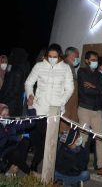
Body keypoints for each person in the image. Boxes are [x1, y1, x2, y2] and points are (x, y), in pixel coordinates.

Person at [25, 43, 74, 172]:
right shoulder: (39, 66)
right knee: (37, 137)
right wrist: (30, 95)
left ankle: (35, 166)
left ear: (60, 56)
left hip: (55, 110)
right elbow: (29, 82)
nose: (52, 58)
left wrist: (61, 102)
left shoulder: (65, 68)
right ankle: (29, 163)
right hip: (39, 108)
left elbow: (70, 88)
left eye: (55, 56)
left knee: (47, 139)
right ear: (46, 56)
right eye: (50, 56)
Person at [77, 51, 102, 176]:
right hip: (85, 108)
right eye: (92, 59)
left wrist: (94, 87)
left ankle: (100, 166)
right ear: (86, 60)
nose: (95, 62)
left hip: (97, 110)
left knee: (100, 138)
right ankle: (80, 164)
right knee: (83, 138)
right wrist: (99, 90)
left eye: (96, 59)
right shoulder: (82, 71)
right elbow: (86, 91)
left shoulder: (98, 74)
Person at [0, 103, 37, 176]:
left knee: (26, 141)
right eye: (3, 115)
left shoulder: (12, 124)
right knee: (14, 153)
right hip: (3, 155)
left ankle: (15, 166)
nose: (6, 117)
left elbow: (30, 123)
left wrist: (30, 106)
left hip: (13, 150)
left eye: (7, 114)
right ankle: (30, 173)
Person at [0, 48, 30, 116]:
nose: (11, 56)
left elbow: (14, 89)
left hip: (10, 104)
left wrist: (3, 101)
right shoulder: (17, 67)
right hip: (12, 103)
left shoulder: (17, 70)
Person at [60, 47, 80, 132]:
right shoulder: (64, 65)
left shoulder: (70, 66)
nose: (78, 58)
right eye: (77, 56)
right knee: (64, 125)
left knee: (69, 126)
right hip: (66, 102)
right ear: (72, 55)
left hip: (71, 101)